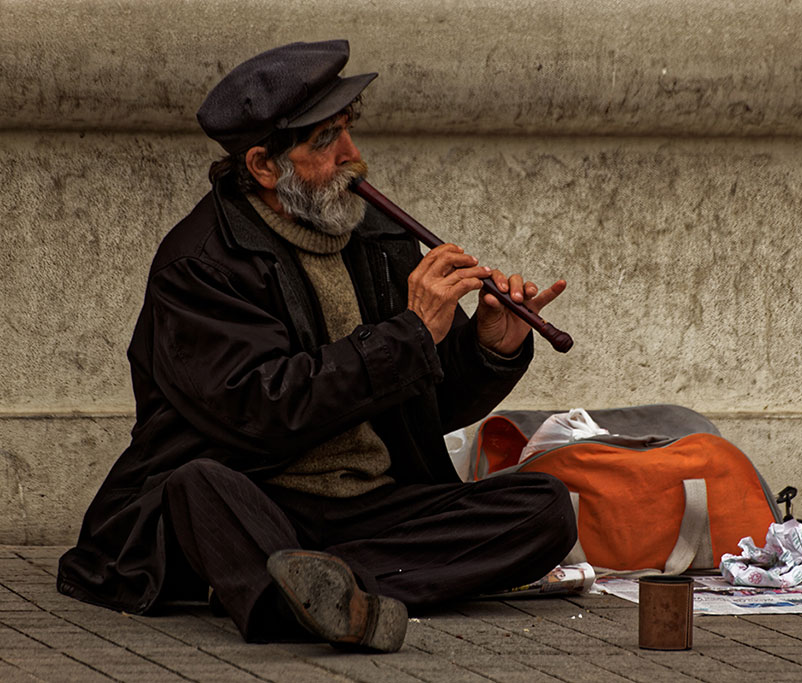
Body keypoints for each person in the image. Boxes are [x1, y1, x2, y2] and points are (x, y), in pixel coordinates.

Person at [57, 39, 577, 652]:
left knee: (544, 507)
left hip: (366, 507)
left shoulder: (379, 239)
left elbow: (428, 405)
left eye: (348, 130)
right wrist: (407, 336)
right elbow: (264, 412)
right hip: (258, 492)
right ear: (263, 166)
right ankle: (307, 588)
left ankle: (316, 587)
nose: (354, 158)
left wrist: (489, 347)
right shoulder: (199, 267)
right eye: (325, 140)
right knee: (198, 486)